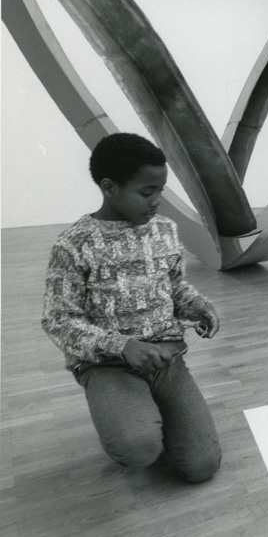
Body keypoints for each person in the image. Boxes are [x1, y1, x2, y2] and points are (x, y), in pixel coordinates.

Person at [41, 133, 222, 483]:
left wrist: (199, 306)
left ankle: (150, 412)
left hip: (165, 359)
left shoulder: (165, 231)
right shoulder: (73, 244)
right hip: (108, 366)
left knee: (203, 466)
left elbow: (174, 286)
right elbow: (59, 320)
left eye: (160, 191)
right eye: (146, 192)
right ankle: (130, 418)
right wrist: (122, 346)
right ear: (109, 187)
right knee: (137, 448)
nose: (156, 202)